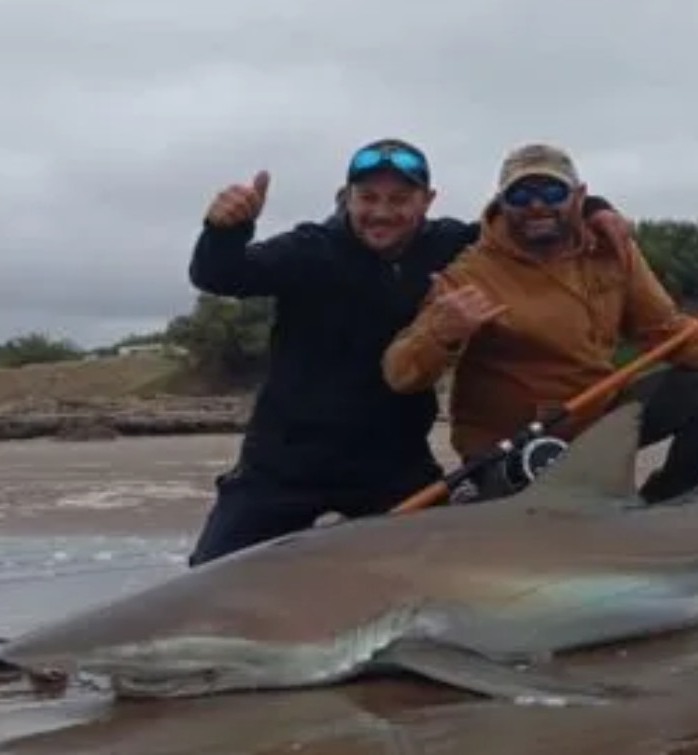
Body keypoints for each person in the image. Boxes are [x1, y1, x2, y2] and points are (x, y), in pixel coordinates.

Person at [184, 138, 634, 566]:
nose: (382, 212)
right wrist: (226, 230)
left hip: (392, 463)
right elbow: (222, 275)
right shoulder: (308, 250)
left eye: (399, 200)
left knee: (458, 578)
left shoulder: (449, 245)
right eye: (368, 198)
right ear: (347, 197)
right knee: (204, 582)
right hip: (285, 463)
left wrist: (593, 209)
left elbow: (522, 225)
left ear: (427, 200)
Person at [381, 143, 698, 504]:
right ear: (501, 203)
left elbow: (667, 331)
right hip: (515, 441)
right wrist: (441, 334)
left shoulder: (611, 249)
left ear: (579, 196)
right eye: (520, 195)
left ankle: (667, 506)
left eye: (552, 192)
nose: (536, 205)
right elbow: (401, 373)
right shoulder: (469, 274)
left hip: (598, 416)